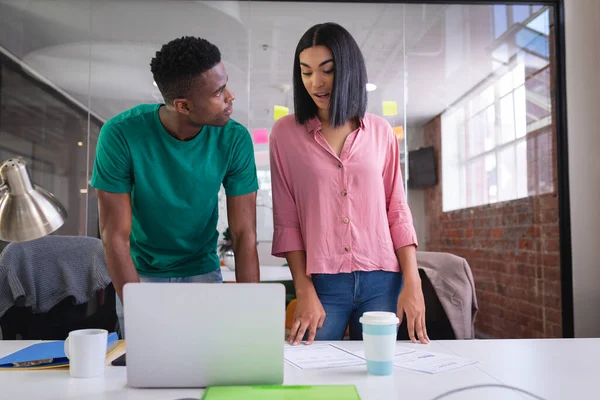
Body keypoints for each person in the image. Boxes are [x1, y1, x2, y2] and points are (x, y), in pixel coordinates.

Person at [270, 23, 429, 345]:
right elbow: (287, 220)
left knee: (379, 377)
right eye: (306, 72)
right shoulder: (285, 133)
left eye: (327, 70)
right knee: (310, 376)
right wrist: (303, 289)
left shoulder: (382, 132)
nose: (316, 82)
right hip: (323, 283)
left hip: (383, 280)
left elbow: (397, 210)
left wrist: (413, 283)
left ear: (349, 70)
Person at [91, 36, 260, 338]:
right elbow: (114, 236)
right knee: (146, 373)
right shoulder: (120, 134)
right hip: (139, 275)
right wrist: (138, 307)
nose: (230, 97)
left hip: (203, 270)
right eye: (219, 92)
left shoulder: (234, 139)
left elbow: (244, 233)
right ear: (183, 105)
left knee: (209, 368)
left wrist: (251, 314)